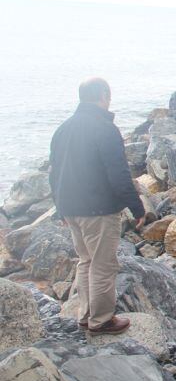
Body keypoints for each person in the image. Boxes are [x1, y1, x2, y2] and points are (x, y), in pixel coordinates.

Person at [49, 78, 145, 335]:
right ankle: (101, 320)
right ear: (104, 95)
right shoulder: (104, 128)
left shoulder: (63, 129)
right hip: (99, 210)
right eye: (108, 95)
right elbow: (118, 174)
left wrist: (60, 207)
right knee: (103, 264)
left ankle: (85, 314)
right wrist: (137, 208)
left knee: (85, 261)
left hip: (72, 208)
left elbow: (55, 171)